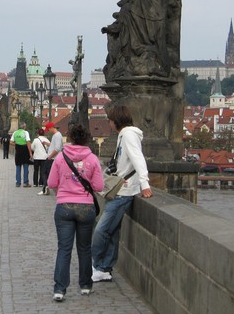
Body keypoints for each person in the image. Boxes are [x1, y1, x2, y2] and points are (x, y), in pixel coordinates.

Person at [91, 105, 153, 282]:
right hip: (121, 190)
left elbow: (138, 159)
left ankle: (96, 264)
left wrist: (144, 183)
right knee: (112, 231)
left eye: (110, 120)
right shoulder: (124, 135)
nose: (109, 123)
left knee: (101, 230)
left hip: (124, 193)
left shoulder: (127, 135)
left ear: (116, 121)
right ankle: (105, 268)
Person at [47, 123, 104, 301]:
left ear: (70, 138)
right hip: (86, 207)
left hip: (64, 206)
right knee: (84, 248)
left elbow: (51, 183)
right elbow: (99, 186)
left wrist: (63, 191)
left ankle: (59, 289)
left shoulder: (61, 157)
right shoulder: (92, 158)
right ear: (86, 139)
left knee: (64, 248)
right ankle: (85, 285)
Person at [39, 122, 62, 196]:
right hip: (51, 157)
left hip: (52, 158)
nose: (48, 131)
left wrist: (50, 156)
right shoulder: (56, 135)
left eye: (48, 129)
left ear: (52, 128)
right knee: (46, 173)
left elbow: (57, 148)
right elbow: (54, 145)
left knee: (44, 172)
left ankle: (45, 188)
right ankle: (46, 187)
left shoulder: (57, 135)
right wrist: (47, 143)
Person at [10, 122, 33, 187]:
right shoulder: (26, 133)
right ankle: (25, 182)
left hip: (18, 152)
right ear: (24, 127)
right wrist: (30, 153)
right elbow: (28, 143)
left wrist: (17, 144)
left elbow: (11, 142)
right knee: (25, 167)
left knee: (18, 166)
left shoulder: (15, 133)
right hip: (25, 151)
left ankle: (18, 182)